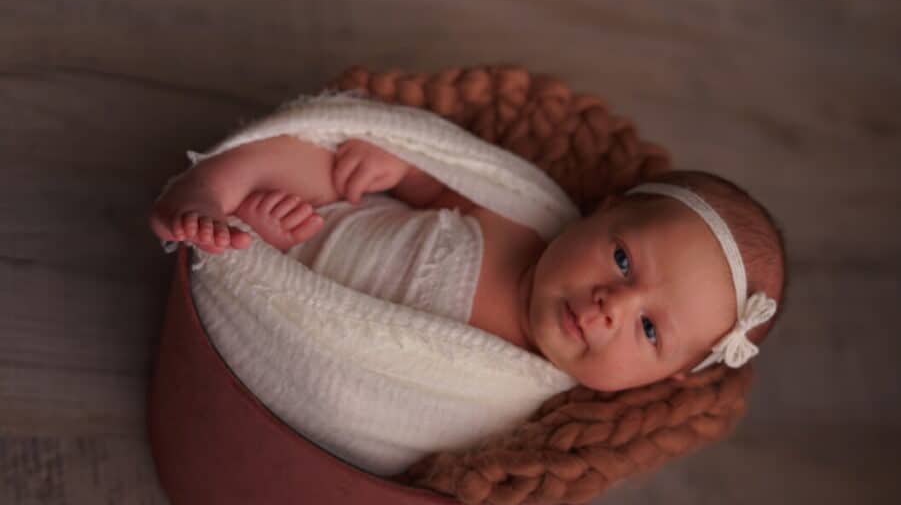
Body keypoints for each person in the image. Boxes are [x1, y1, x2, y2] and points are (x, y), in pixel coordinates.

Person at [150, 133, 786, 392]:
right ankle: (211, 189)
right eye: (622, 259)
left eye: (650, 331)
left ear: (665, 379)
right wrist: (401, 166)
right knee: (324, 157)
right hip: (327, 218)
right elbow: (444, 186)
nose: (612, 306)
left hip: (312, 329)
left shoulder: (527, 395)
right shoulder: (525, 218)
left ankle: (255, 245)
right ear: (604, 209)